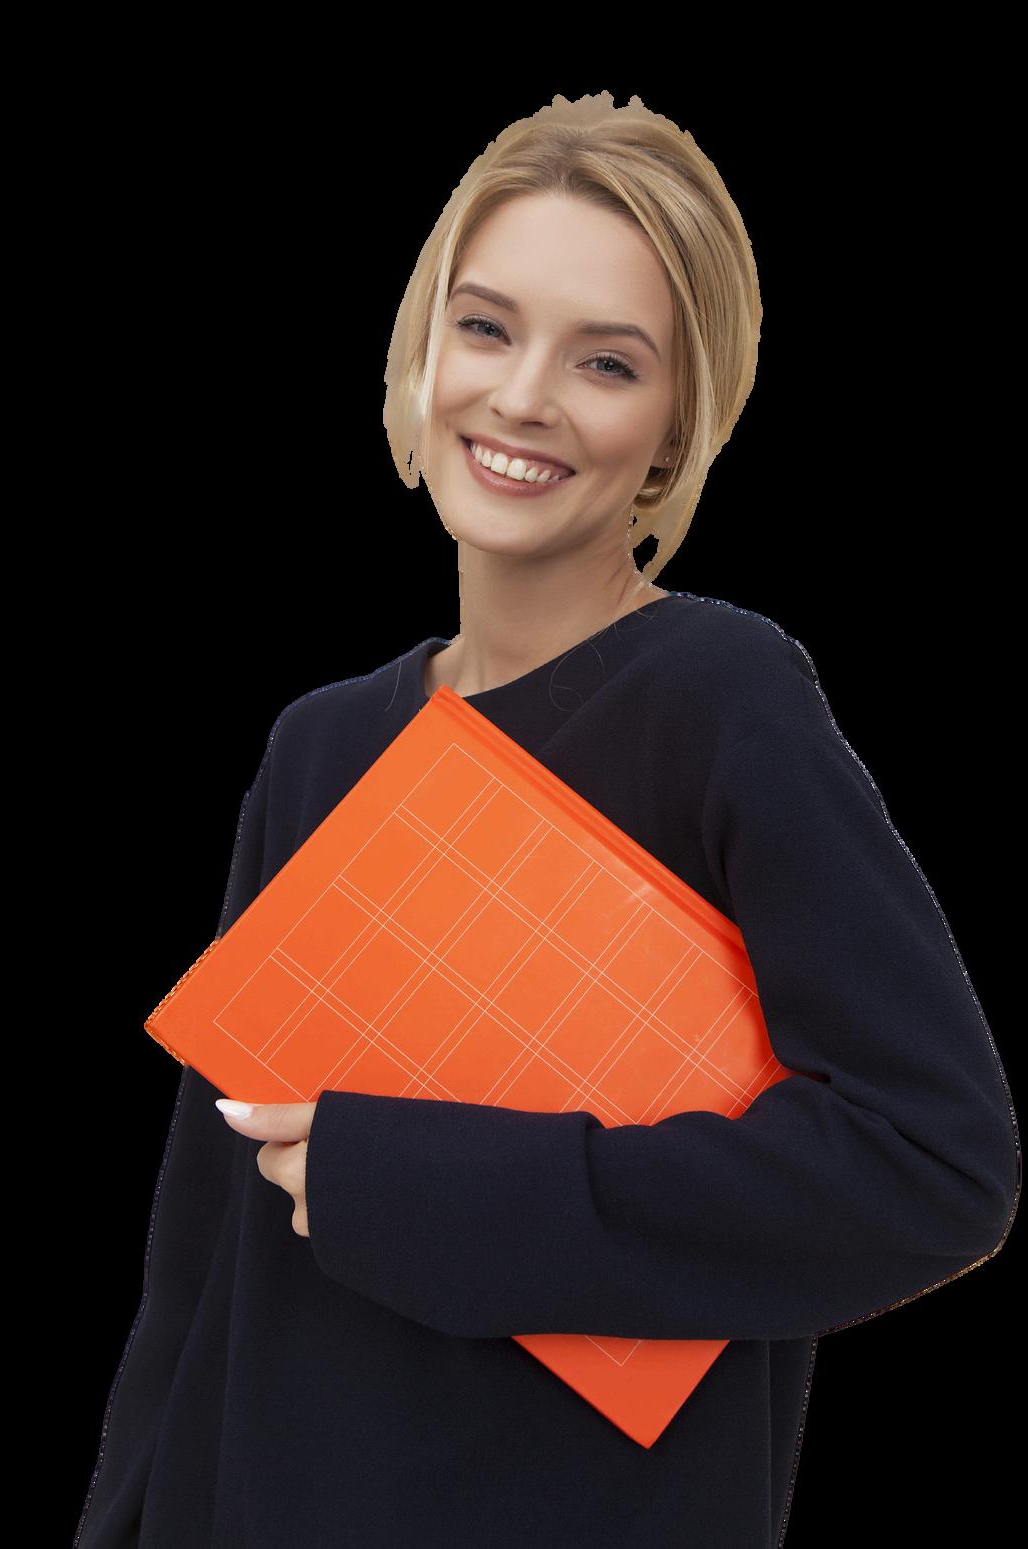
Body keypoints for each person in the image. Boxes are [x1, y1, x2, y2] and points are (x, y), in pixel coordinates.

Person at [75, 92, 1019, 1548]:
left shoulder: (721, 699)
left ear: (677, 423)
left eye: (605, 361)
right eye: (486, 327)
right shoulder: (319, 743)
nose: (522, 398)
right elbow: (204, 1245)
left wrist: (427, 1189)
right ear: (423, 347)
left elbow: (932, 1166)